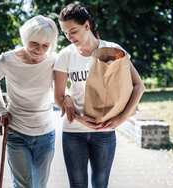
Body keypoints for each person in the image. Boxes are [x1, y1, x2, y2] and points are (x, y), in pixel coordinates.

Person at [54, 4, 145, 188]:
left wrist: (121, 118)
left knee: (101, 184)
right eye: (65, 34)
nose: (70, 37)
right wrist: (79, 117)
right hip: (73, 133)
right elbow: (58, 96)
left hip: (105, 132)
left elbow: (139, 86)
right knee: (77, 185)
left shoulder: (112, 50)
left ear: (87, 26)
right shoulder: (65, 55)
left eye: (73, 31)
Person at [0, 15, 58, 188]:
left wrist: (68, 98)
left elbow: (63, 87)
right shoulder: (7, 59)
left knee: (39, 185)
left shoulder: (54, 60)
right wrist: (1, 110)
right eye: (34, 43)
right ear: (26, 37)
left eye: (45, 46)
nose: (39, 50)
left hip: (45, 133)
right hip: (16, 132)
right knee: (23, 186)